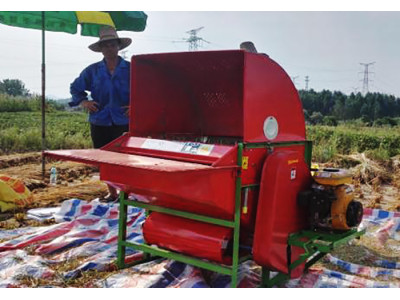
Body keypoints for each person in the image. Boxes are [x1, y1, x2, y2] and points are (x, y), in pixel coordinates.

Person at [69, 26, 132, 202]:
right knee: (104, 158)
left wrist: (136, 105)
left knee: (126, 159)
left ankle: (126, 192)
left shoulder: (131, 69)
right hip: (100, 121)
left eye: (112, 45)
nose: (109, 48)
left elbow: (147, 89)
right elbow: (75, 88)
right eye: (105, 46)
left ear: (119, 46)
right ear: (101, 49)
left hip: (124, 120)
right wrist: (83, 102)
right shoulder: (92, 71)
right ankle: (112, 192)